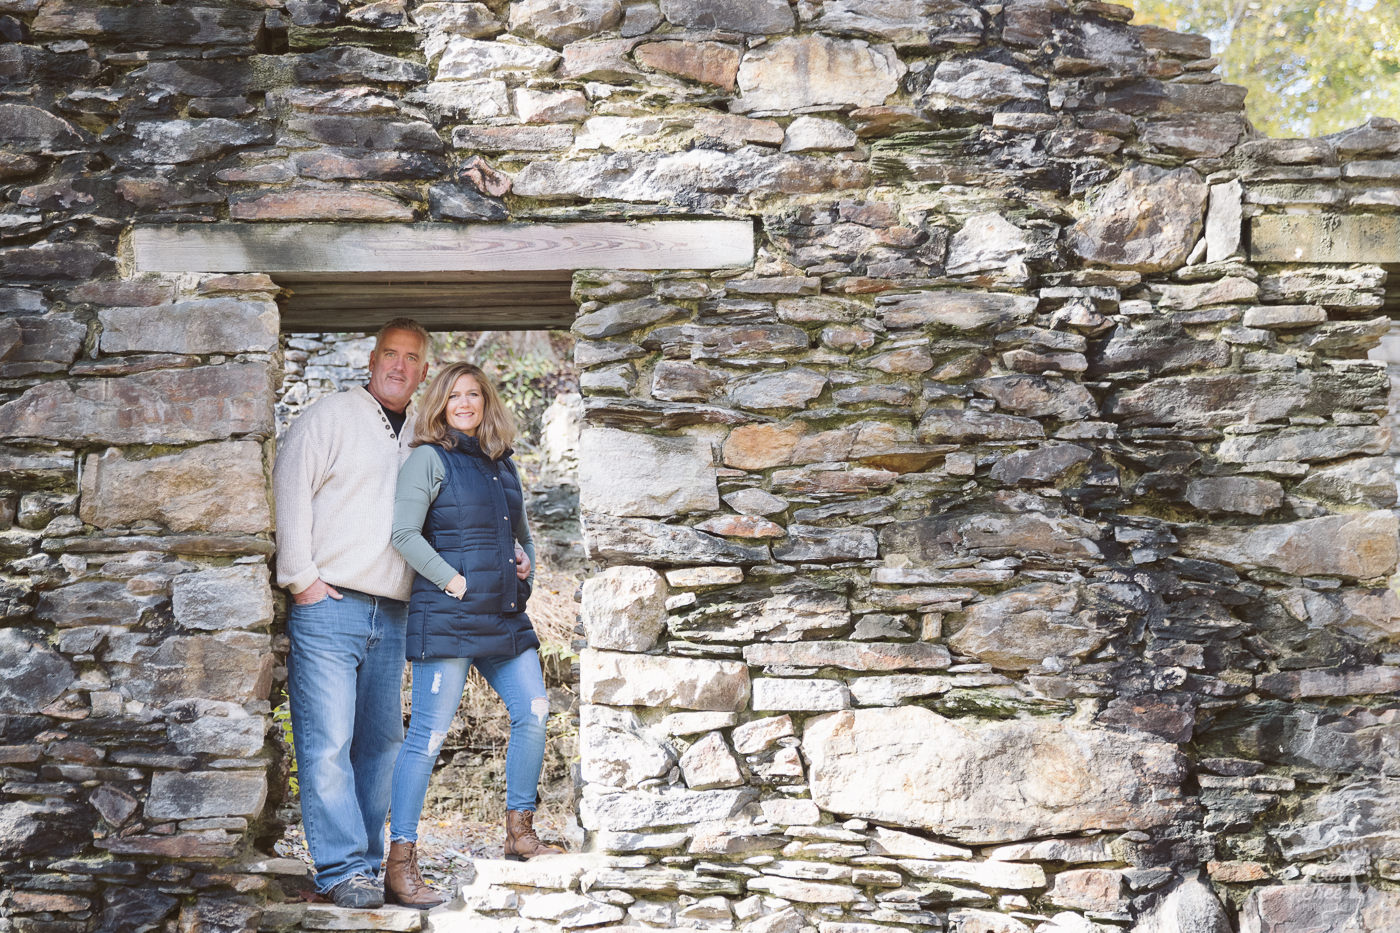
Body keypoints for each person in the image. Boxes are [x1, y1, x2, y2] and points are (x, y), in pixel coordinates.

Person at [385, 361, 564, 909]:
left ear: (487, 402)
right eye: (454, 395)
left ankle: (520, 831)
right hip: (450, 617)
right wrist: (452, 580)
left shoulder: (501, 465)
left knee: (534, 711)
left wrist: (525, 564)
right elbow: (403, 534)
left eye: (474, 394)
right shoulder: (427, 458)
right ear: (439, 403)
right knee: (429, 738)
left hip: (504, 618)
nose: (465, 403)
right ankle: (402, 862)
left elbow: (523, 537)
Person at [272, 318, 430, 909]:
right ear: (371, 360)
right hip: (329, 604)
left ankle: (366, 864)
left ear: (423, 371)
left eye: (411, 358)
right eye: (390, 353)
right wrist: (302, 579)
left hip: (392, 612)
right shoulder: (330, 416)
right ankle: (340, 870)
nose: (399, 365)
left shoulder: (422, 433)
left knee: (382, 743)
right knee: (328, 742)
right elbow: (290, 489)